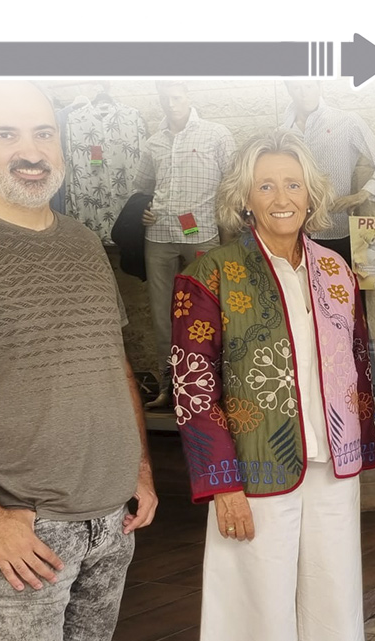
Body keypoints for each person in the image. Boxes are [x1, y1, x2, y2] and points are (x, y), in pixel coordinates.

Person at [170, 129, 375, 641]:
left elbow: (357, 360)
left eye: (293, 184)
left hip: (333, 467)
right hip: (253, 469)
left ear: (311, 194)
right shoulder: (210, 274)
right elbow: (193, 386)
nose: (282, 197)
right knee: (256, 613)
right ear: (245, 198)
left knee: (335, 606)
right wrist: (222, 483)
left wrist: (359, 445)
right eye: (265, 186)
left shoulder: (336, 271)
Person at [0, 80, 157, 641]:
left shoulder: (85, 243)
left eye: (43, 133)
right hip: (24, 533)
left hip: (112, 521)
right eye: (5, 134)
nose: (30, 151)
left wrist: (140, 468)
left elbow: (114, 361)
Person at [136, 81, 236, 408]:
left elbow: (233, 184)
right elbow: (143, 187)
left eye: (176, 97)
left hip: (201, 234)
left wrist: (227, 235)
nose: (171, 104)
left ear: (189, 95)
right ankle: (170, 385)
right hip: (159, 236)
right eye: (164, 98)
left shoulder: (215, 135)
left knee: (207, 309)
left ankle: (212, 383)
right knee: (162, 314)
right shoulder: (153, 143)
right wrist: (143, 210)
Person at [281, 80, 375, 265]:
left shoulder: (346, 122)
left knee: (342, 284)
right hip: (293, 235)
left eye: (309, 86)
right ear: (289, 90)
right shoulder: (282, 133)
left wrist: (359, 196)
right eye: (297, 87)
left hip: (336, 232)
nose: (304, 93)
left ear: (320, 86)